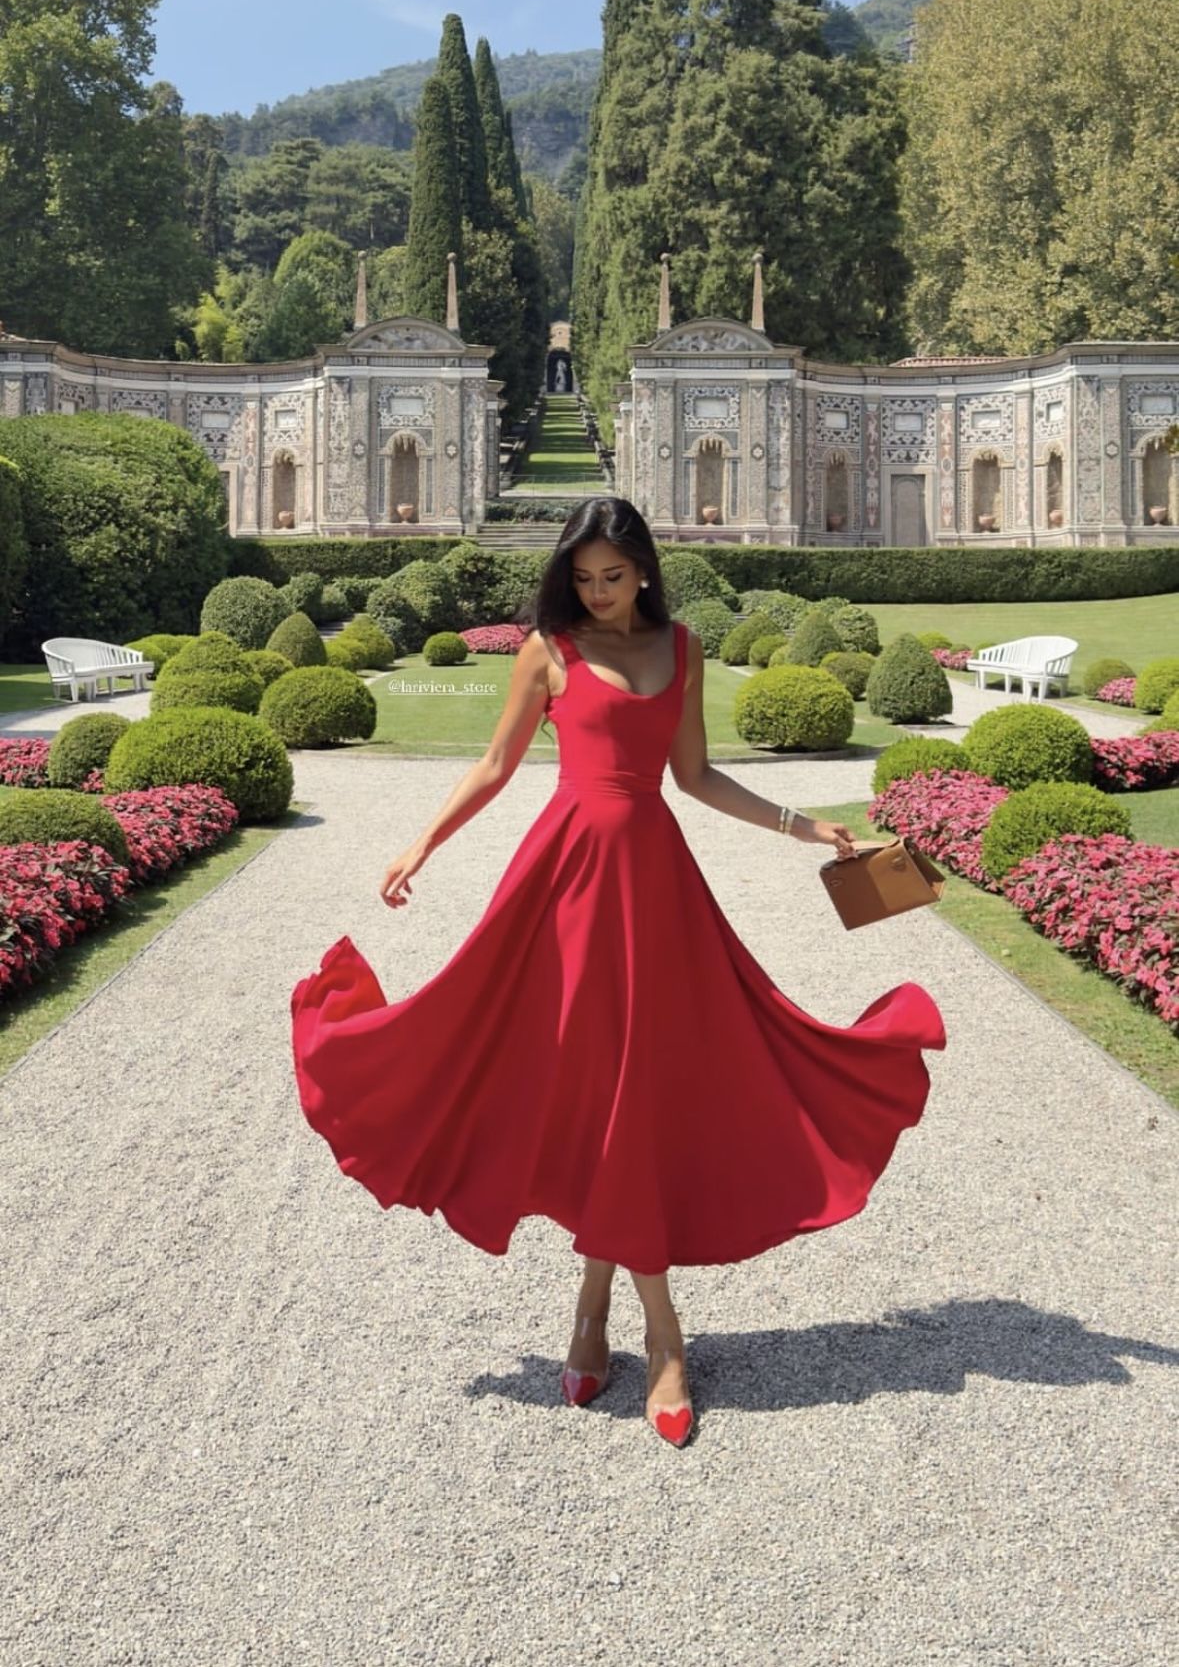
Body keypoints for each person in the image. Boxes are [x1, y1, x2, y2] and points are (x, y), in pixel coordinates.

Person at [290, 497, 946, 1449]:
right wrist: (420, 845)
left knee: (636, 1094)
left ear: (642, 569)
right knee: (582, 1085)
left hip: (653, 888)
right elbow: (495, 765)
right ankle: (661, 1339)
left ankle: (598, 1312)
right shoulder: (547, 650)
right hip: (559, 889)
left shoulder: (678, 649)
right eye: (583, 578)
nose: (597, 593)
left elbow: (696, 779)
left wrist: (801, 826)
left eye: (613, 576)